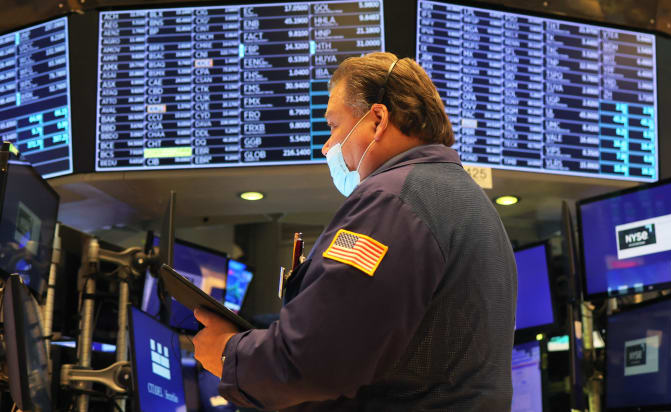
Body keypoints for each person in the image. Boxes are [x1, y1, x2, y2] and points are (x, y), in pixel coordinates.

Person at [191, 52, 518, 411]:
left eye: (333, 125)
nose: (327, 146)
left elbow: (316, 360)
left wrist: (228, 353)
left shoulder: (392, 201)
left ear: (377, 119)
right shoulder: (467, 200)